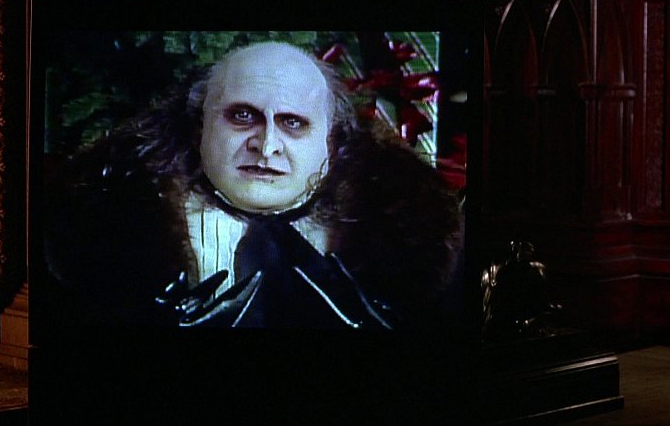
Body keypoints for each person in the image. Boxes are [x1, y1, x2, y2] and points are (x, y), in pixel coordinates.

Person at [42, 41, 461, 332]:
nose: (267, 145)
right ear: (200, 128)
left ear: (331, 142)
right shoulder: (97, 232)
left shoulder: (417, 241)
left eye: (292, 123)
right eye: (243, 117)